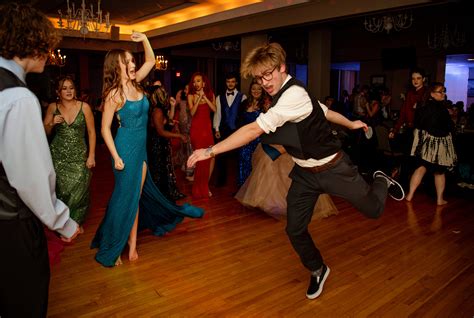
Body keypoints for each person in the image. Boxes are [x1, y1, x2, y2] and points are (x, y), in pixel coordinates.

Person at [188, 42, 404, 300]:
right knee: (294, 229)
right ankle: (317, 268)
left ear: (282, 68)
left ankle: (381, 179)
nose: (264, 82)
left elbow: (253, 130)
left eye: (268, 74)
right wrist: (351, 122)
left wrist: (210, 151)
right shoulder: (288, 93)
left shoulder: (293, 95)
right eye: (258, 77)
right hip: (304, 173)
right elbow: (324, 111)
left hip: (334, 168)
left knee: (374, 210)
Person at [91, 32, 204, 267]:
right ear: (117, 66)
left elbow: (151, 61)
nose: (133, 65)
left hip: (140, 150)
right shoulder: (114, 94)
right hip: (123, 150)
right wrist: (116, 157)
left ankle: (131, 244)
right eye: (128, 62)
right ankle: (114, 243)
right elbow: (104, 130)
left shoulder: (136, 83)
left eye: (133, 61)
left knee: (136, 197)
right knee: (125, 199)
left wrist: (144, 38)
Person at [0, 3, 80, 317]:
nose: (49, 54)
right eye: (46, 46)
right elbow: (30, 177)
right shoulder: (18, 98)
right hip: (10, 226)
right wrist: (64, 222)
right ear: (31, 44)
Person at [43, 76, 96, 232]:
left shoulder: (84, 107)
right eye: (64, 88)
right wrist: (52, 123)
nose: (68, 91)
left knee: (80, 189)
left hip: (79, 154)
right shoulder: (53, 107)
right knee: (62, 191)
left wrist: (91, 155)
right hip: (58, 156)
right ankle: (64, 224)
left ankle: (76, 222)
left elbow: (92, 132)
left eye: (71, 88)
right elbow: (44, 130)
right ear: (58, 92)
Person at [235, 143, 338, 220]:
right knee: (274, 173)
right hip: (278, 143)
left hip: (290, 147)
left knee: (287, 173)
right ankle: (274, 203)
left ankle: (287, 205)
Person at [406, 83, 457, 205]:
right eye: (440, 92)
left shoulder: (423, 107)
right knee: (439, 172)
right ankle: (439, 199)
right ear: (432, 94)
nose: (443, 94)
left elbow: (418, 125)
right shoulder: (441, 109)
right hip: (437, 144)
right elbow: (449, 127)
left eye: (444, 91)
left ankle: (410, 195)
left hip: (426, 144)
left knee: (421, 168)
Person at [147, 80, 187, 201]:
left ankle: (164, 194)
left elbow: (167, 121)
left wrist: (173, 107)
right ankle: (160, 196)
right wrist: (179, 136)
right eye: (162, 92)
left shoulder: (159, 109)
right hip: (157, 144)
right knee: (159, 171)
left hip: (161, 143)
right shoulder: (157, 110)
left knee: (164, 170)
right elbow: (161, 131)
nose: (165, 94)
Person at [389, 68, 427, 185]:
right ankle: (403, 185)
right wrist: (395, 130)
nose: (415, 81)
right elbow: (403, 113)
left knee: (420, 160)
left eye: (418, 78)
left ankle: (417, 184)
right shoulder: (410, 93)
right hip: (410, 130)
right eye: (413, 78)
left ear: (423, 79)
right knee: (407, 158)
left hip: (422, 131)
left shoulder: (426, 93)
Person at [213, 72, 247, 187]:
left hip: (237, 131)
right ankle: (221, 181)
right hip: (223, 130)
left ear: (236, 82)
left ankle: (240, 183)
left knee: (238, 158)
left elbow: (243, 117)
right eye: (228, 81)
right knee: (221, 156)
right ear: (226, 83)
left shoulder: (243, 97)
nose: (230, 84)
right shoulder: (219, 97)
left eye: (233, 81)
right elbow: (217, 114)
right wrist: (217, 129)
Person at [188, 72, 216, 198]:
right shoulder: (191, 95)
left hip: (207, 130)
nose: (196, 84)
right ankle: (198, 187)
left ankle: (205, 185)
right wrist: (199, 98)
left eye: (198, 81)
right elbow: (192, 113)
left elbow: (214, 110)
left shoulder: (210, 94)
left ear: (204, 83)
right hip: (197, 131)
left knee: (210, 156)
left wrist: (205, 97)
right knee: (200, 159)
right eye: (194, 82)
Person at [236, 80, 270, 187]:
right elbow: (239, 122)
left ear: (262, 90)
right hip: (245, 139)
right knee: (244, 162)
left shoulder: (266, 105)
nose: (256, 91)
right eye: (253, 88)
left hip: (260, 141)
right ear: (250, 90)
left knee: (257, 165)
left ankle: (256, 191)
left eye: (259, 89)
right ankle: (243, 190)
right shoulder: (244, 104)